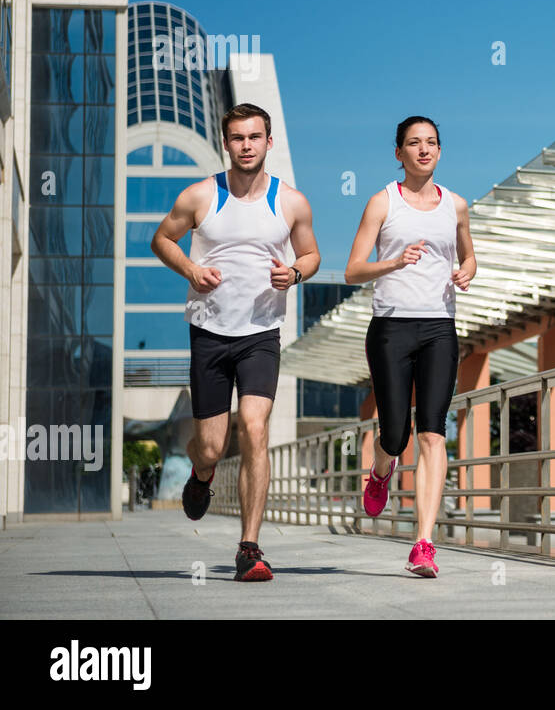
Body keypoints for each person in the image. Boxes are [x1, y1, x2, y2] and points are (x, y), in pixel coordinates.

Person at [151, 103, 320, 582]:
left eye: (255, 137)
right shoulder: (201, 196)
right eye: (238, 138)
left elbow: (310, 253)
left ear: (269, 142)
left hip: (261, 333)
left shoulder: (291, 202)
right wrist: (191, 269)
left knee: (255, 426)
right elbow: (162, 239)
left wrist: (295, 272)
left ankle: (250, 548)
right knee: (210, 445)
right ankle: (201, 474)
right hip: (208, 332)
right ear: (226, 143)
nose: (246, 145)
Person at [344, 115, 476, 576]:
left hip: (440, 327)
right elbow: (353, 269)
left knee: (433, 432)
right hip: (391, 327)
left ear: (440, 151)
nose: (424, 149)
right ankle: (381, 472)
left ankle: (423, 543)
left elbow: (469, 253)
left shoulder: (455, 205)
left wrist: (467, 271)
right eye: (414, 143)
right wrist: (394, 262)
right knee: (395, 435)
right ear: (398, 153)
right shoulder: (383, 202)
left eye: (432, 142)